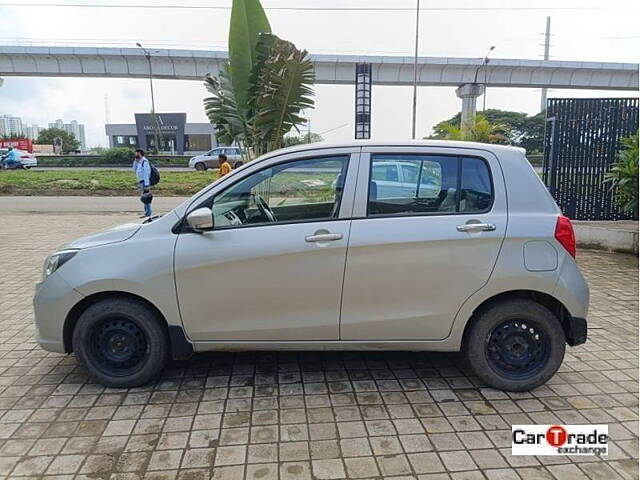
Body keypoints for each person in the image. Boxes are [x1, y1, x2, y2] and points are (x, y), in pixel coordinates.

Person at [133, 149, 152, 218]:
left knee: (146, 198)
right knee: (144, 198)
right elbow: (134, 170)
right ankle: (146, 213)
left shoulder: (144, 162)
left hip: (144, 182)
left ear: (140, 154)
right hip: (141, 182)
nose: (136, 155)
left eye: (137, 154)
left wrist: (147, 185)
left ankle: (148, 214)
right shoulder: (139, 162)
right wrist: (135, 162)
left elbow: (146, 174)